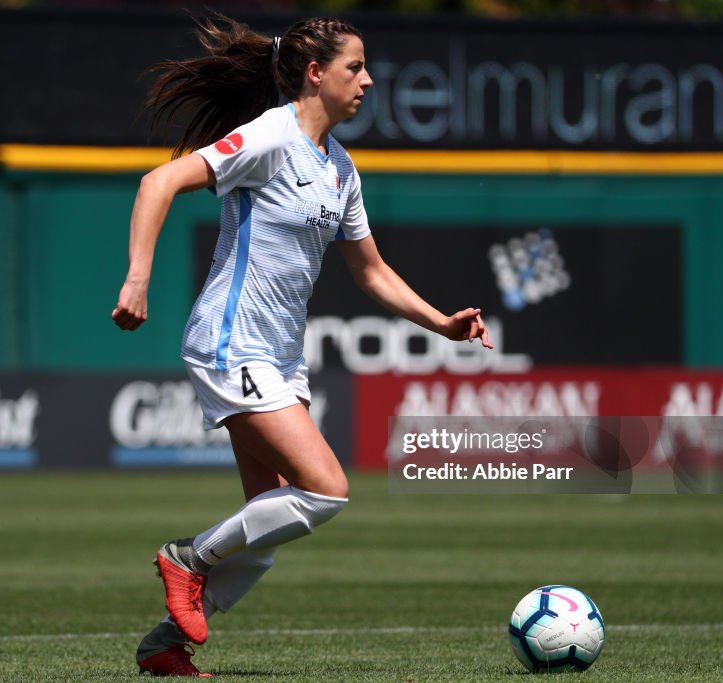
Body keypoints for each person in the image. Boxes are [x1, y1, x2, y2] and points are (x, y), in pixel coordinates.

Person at [112, 13, 492, 677]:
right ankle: (185, 559)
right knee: (325, 489)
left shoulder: (340, 169)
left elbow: (370, 271)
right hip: (232, 345)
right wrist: (138, 278)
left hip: (280, 359)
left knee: (269, 516)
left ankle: (167, 644)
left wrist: (442, 324)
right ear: (315, 74)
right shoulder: (269, 136)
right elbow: (158, 182)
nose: (368, 80)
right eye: (355, 67)